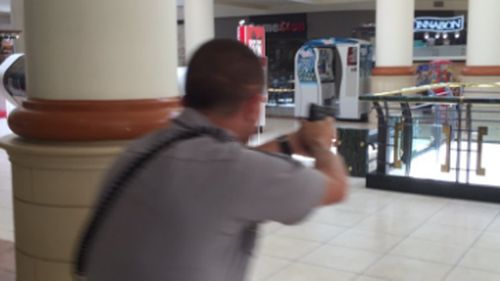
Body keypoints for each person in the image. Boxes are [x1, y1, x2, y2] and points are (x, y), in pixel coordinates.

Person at [77, 39, 348, 281]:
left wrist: (289, 144)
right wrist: (320, 144)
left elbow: (219, 169)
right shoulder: (235, 170)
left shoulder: (137, 152)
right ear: (254, 106)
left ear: (186, 99)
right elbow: (336, 187)